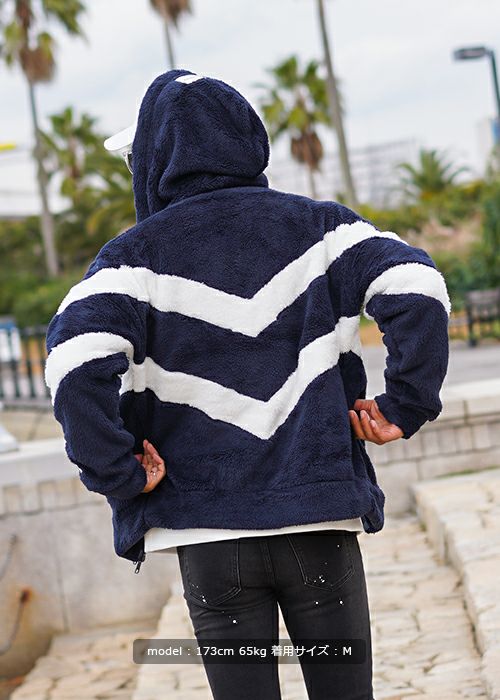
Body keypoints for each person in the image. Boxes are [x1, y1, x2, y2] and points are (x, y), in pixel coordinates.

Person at [44, 69, 450, 700]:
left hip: (208, 532)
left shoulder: (130, 259)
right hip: (318, 514)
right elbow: (418, 286)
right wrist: (406, 403)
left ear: (156, 161)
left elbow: (74, 363)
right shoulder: (323, 229)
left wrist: (117, 470)